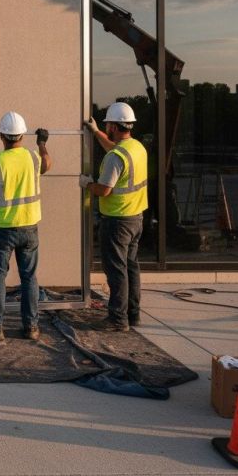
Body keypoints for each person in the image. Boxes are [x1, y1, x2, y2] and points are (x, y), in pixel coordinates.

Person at [0, 111, 51, 341]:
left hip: (3, 229)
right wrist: (42, 143)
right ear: (22, 135)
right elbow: (47, 163)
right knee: (29, 278)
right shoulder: (33, 158)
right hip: (29, 228)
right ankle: (31, 327)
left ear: (2, 136)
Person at [81, 101, 147, 332]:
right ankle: (133, 314)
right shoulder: (137, 148)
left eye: (108, 124)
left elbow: (104, 189)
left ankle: (117, 320)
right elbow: (114, 150)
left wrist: (87, 184)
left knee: (117, 270)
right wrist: (96, 131)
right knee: (131, 267)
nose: (107, 126)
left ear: (115, 127)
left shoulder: (115, 157)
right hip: (136, 218)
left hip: (117, 220)